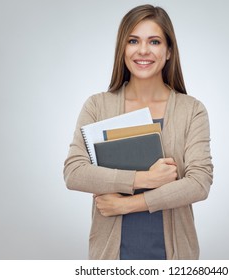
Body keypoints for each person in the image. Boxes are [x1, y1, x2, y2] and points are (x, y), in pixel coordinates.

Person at [63, 4, 213, 260]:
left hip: (174, 257)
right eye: (133, 40)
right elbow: (74, 173)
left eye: (154, 41)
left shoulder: (191, 110)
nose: (143, 50)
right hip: (111, 257)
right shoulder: (98, 105)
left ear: (168, 52)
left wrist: (127, 204)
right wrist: (143, 179)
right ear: (123, 49)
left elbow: (199, 183)